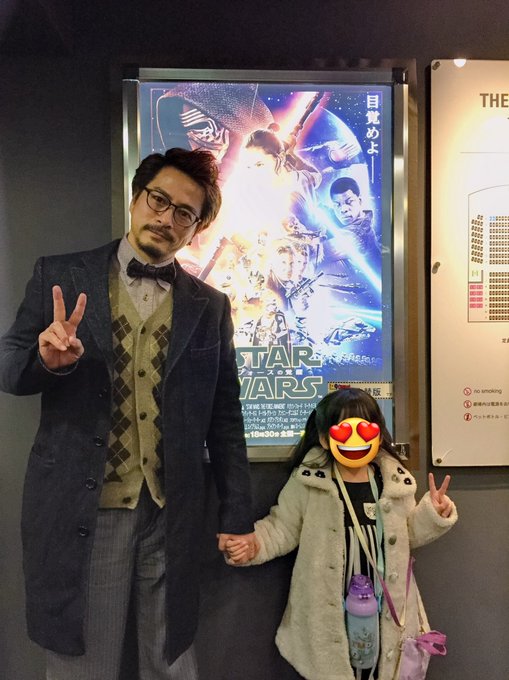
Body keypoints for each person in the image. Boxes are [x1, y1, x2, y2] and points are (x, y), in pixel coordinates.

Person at [0, 147, 257, 680]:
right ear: (137, 197)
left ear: (196, 228)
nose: (166, 218)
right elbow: (9, 368)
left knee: (172, 660)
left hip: (173, 512)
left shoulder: (210, 306)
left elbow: (225, 418)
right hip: (88, 509)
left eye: (184, 213)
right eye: (158, 200)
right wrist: (46, 362)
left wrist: (236, 514)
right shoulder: (61, 275)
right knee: (84, 664)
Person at [226, 388, 457, 680]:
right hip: (330, 605)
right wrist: (253, 544)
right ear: (325, 439)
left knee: (380, 665)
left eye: (366, 430)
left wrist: (434, 512)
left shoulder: (393, 482)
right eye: (345, 432)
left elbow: (408, 534)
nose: (356, 441)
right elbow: (282, 527)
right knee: (337, 663)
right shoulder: (310, 482)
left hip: (384, 603)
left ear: (378, 435)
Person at [329, 176, 380, 260]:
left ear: (360, 200)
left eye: (349, 202)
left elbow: (315, 253)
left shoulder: (355, 236)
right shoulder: (364, 220)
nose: (343, 209)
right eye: (337, 204)